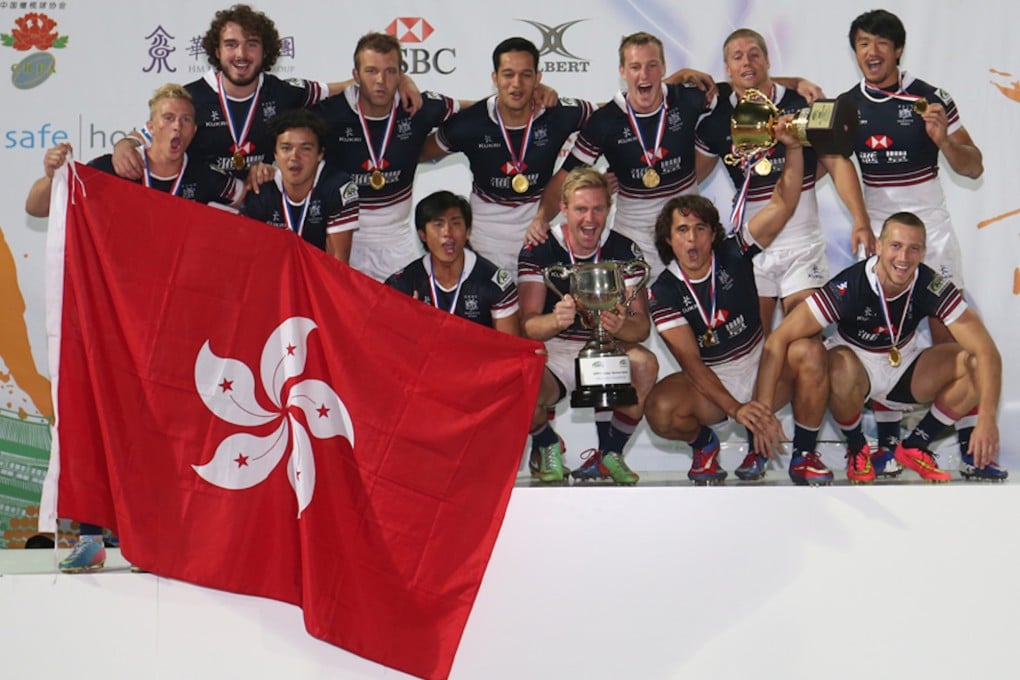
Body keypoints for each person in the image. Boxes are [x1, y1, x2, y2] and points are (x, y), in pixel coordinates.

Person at [643, 117, 835, 486]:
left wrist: (793, 146)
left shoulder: (734, 251)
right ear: (669, 240)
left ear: (713, 233)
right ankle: (704, 445)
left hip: (761, 366)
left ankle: (804, 454)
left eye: (700, 228)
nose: (692, 239)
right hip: (713, 381)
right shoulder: (663, 292)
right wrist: (737, 409)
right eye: (682, 230)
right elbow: (692, 364)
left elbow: (783, 202)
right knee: (661, 409)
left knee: (810, 351)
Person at [755, 212, 1005, 483]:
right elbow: (779, 338)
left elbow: (987, 352)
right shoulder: (850, 285)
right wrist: (764, 411)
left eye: (913, 249)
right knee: (833, 362)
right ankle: (857, 448)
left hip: (904, 368)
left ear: (923, 252)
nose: (903, 258)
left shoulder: (930, 284)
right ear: (880, 246)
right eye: (896, 246)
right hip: (854, 372)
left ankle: (915, 445)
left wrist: (988, 418)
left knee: (974, 363)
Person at [841, 9, 985, 473]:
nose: (873, 52)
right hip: (883, 239)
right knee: (886, 332)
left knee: (951, 341)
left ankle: (967, 442)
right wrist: (862, 220)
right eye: (863, 43)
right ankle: (887, 443)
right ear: (856, 51)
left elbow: (973, 166)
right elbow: (834, 162)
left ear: (898, 49)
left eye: (882, 43)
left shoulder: (930, 97)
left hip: (933, 236)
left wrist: (943, 141)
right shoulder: (847, 105)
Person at [111, 5, 420, 183]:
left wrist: (402, 79)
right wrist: (124, 144)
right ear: (216, 51)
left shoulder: (284, 92)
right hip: (205, 214)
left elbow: (341, 86)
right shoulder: (192, 97)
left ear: (266, 51)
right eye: (231, 45)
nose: (241, 54)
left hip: (262, 218)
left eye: (252, 44)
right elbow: (149, 135)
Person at [695, 28, 871, 333]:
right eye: (737, 57)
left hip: (801, 244)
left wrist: (860, 219)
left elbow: (837, 163)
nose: (747, 62)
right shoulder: (716, 118)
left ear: (768, 59)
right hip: (752, 243)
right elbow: (690, 178)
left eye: (754, 54)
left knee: (805, 346)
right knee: (756, 348)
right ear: (727, 68)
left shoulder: (803, 104)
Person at [518, 167, 658, 485]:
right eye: (580, 209)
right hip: (556, 350)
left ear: (609, 209)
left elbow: (642, 329)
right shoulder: (540, 246)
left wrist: (620, 325)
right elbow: (527, 325)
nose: (590, 219)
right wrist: (555, 320)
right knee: (516, 377)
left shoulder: (624, 249)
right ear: (564, 209)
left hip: (604, 348)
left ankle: (609, 454)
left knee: (645, 364)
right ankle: (546, 442)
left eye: (598, 209)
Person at [422, 37, 594, 273]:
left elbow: (609, 118)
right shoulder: (470, 123)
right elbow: (419, 152)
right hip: (484, 240)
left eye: (526, 75)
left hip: (537, 233)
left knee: (535, 308)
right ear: (495, 78)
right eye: (508, 74)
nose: (517, 84)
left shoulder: (558, 114)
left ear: (538, 78)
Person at [313, 32, 460, 281]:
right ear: (356, 75)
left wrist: (534, 93)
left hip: (398, 244)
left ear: (400, 74)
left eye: (390, 72)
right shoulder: (329, 112)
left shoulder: (416, 107)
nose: (381, 80)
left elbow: (484, 111)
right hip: (343, 239)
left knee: (406, 317)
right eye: (371, 71)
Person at [26, 83, 245, 219]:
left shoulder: (205, 175)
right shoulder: (112, 168)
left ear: (194, 130)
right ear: (150, 127)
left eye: (185, 120)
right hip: (122, 288)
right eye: (168, 118)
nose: (177, 126)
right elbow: (36, 209)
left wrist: (259, 176)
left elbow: (246, 202)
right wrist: (51, 177)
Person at [386, 191, 519, 335]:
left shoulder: (496, 283)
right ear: (422, 235)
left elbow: (510, 349)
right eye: (438, 224)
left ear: (467, 232)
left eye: (455, 223)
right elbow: (386, 344)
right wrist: (405, 323)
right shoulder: (402, 285)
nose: (447, 232)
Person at [239, 110, 358, 261]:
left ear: (320, 154)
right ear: (275, 154)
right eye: (286, 148)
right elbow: (249, 257)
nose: (294, 157)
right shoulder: (260, 187)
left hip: (318, 277)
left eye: (305, 148)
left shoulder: (338, 187)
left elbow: (337, 264)